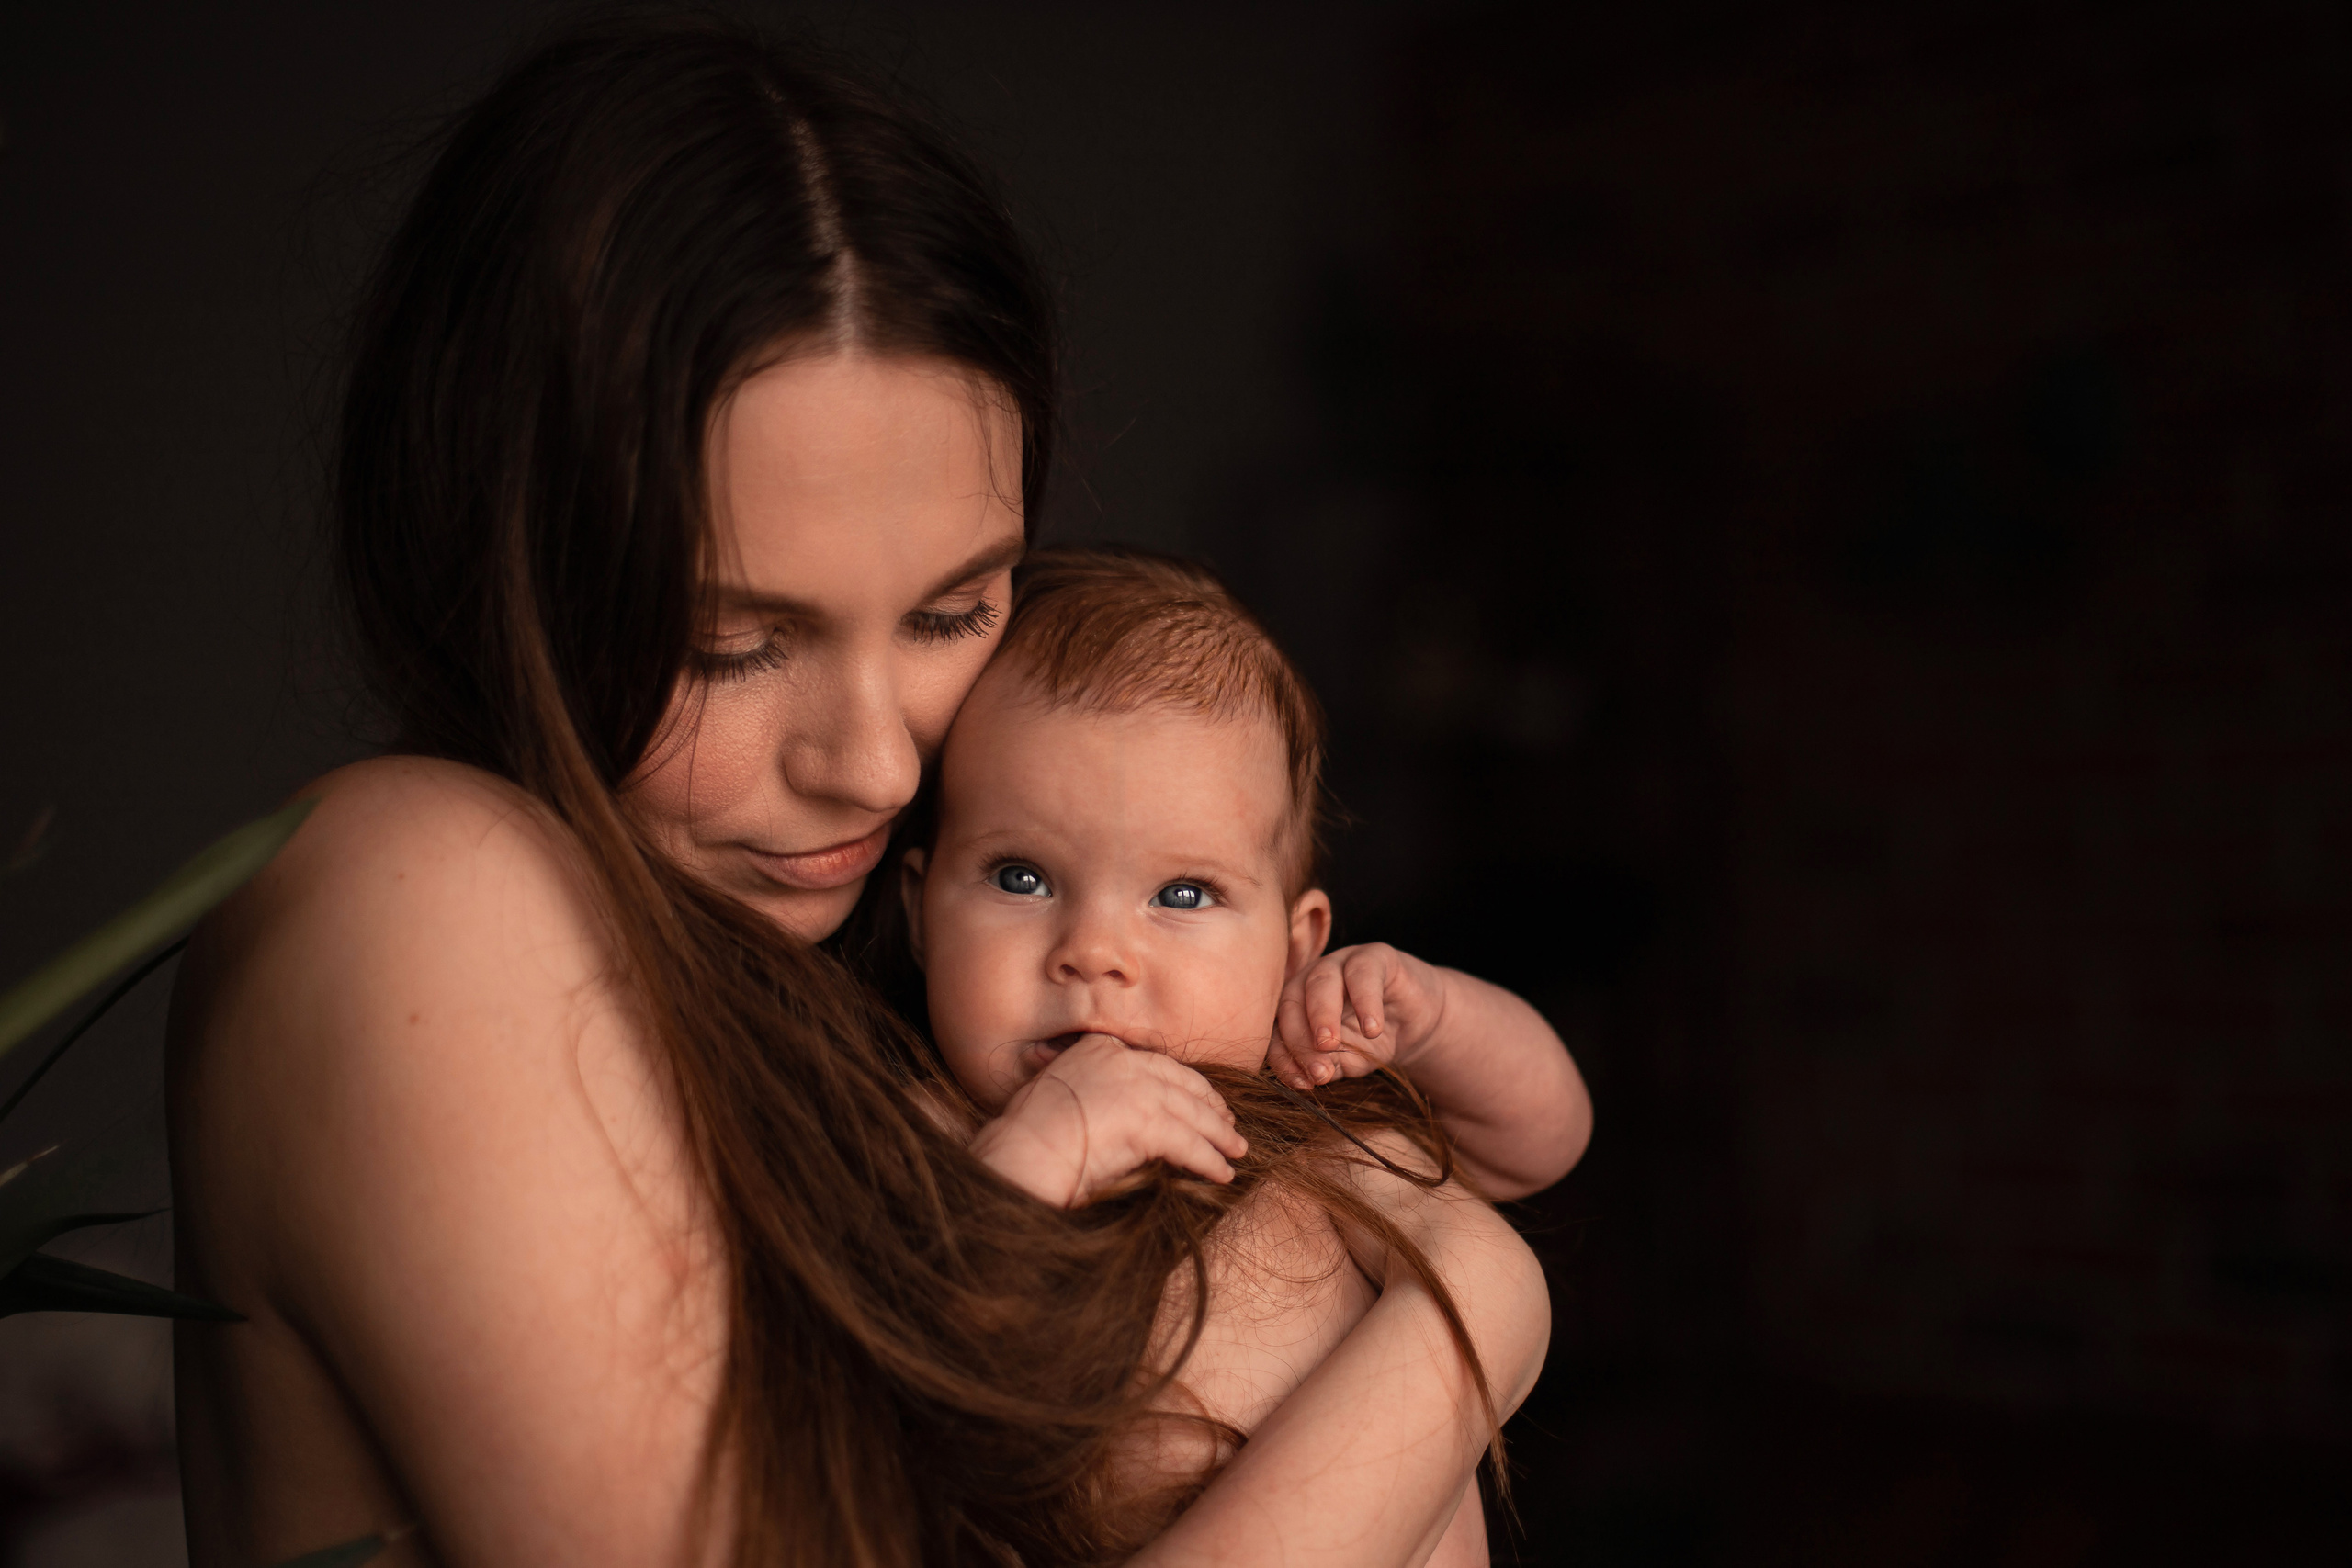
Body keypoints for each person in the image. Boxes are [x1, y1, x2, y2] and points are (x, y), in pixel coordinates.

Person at [165, 15, 1550, 1568]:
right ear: (501, 578)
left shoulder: (923, 992)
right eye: (732, 644)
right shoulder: (406, 884)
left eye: (958, 610)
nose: (879, 764)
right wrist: (1475, 1315)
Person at [887, 547, 1593, 1564]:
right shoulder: (938, 1139)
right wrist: (1035, 1161)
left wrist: (1435, 1019)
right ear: (918, 912)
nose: (1095, 952)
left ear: (1295, 947)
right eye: (1021, 876)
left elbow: (1543, 1140)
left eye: (1181, 896)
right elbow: (895, 1388)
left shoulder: (1303, 1123)